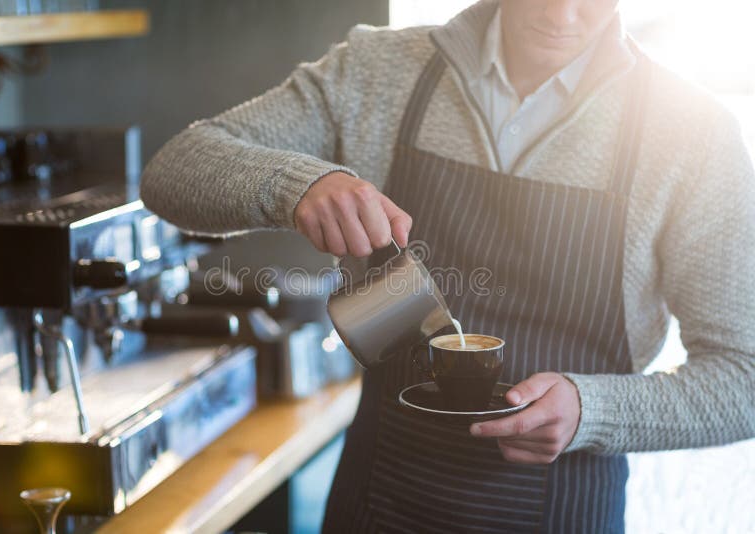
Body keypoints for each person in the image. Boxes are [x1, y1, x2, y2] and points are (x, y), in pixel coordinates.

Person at [140, 0, 755, 531]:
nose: (561, 12)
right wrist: (295, 186)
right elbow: (172, 170)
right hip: (377, 504)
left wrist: (593, 410)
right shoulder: (379, 71)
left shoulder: (693, 135)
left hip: (564, 510)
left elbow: (744, 379)